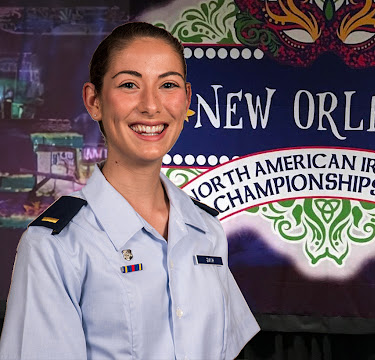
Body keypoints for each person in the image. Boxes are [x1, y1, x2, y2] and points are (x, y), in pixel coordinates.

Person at [0, 22, 259, 359]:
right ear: (94, 101)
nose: (151, 106)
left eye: (168, 84)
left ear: (186, 99)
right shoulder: (56, 246)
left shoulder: (205, 230)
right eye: (129, 84)